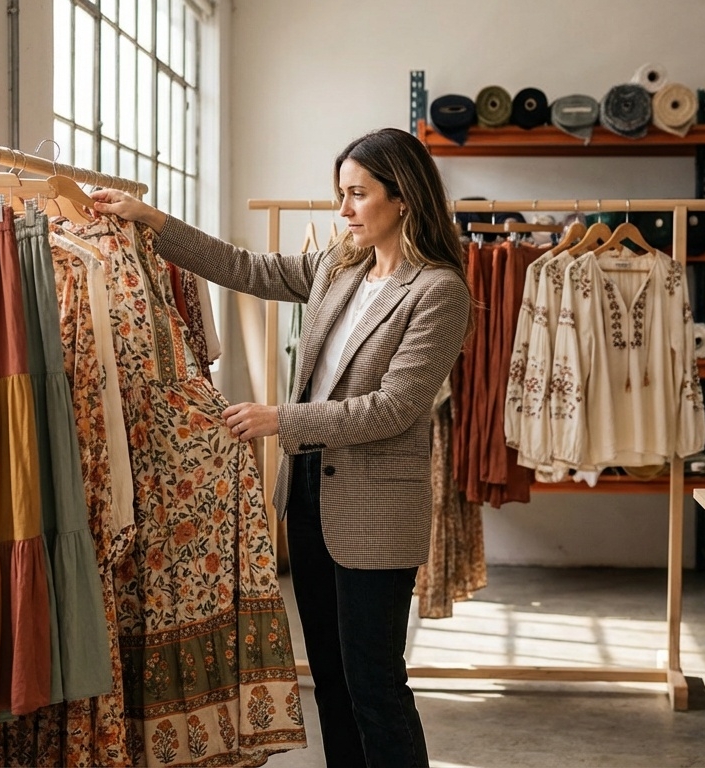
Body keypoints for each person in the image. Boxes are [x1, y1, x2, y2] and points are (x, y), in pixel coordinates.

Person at [91, 126, 471, 768]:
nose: (344, 209)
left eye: (358, 194)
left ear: (402, 197)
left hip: (376, 514)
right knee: (328, 678)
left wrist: (281, 420)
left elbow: (395, 409)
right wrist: (154, 223)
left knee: (374, 681)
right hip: (309, 497)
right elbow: (247, 269)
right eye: (340, 194)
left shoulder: (438, 291)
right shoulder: (339, 267)